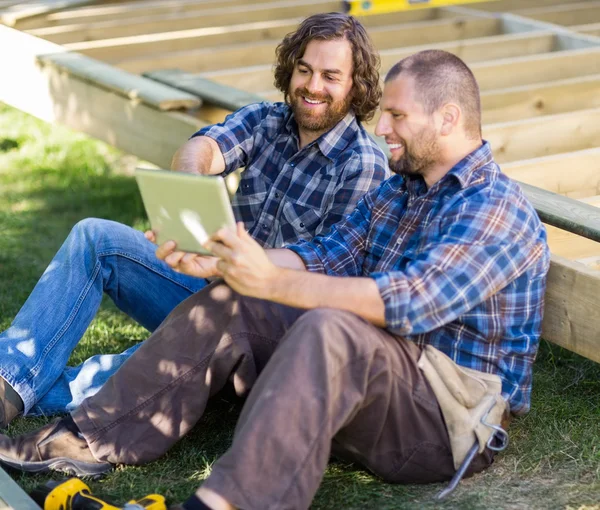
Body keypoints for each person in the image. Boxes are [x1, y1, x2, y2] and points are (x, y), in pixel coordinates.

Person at [0, 50, 550, 510]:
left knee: (331, 329)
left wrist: (270, 280)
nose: (382, 127)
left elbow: (411, 301)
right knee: (237, 300)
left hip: (448, 419)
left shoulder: (495, 208)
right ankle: (82, 440)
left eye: (397, 116)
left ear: (449, 118)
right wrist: (228, 267)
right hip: (377, 382)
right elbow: (324, 254)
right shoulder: (400, 193)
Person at [0, 13, 388, 426]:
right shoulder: (268, 120)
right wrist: (188, 190)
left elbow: (327, 276)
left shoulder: (363, 166)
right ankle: (8, 382)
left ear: (355, 85)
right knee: (94, 236)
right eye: (305, 69)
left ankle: (51, 390)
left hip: (264, 331)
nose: (312, 86)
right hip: (211, 283)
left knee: (144, 365)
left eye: (330, 76)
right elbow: (202, 147)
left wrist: (237, 265)